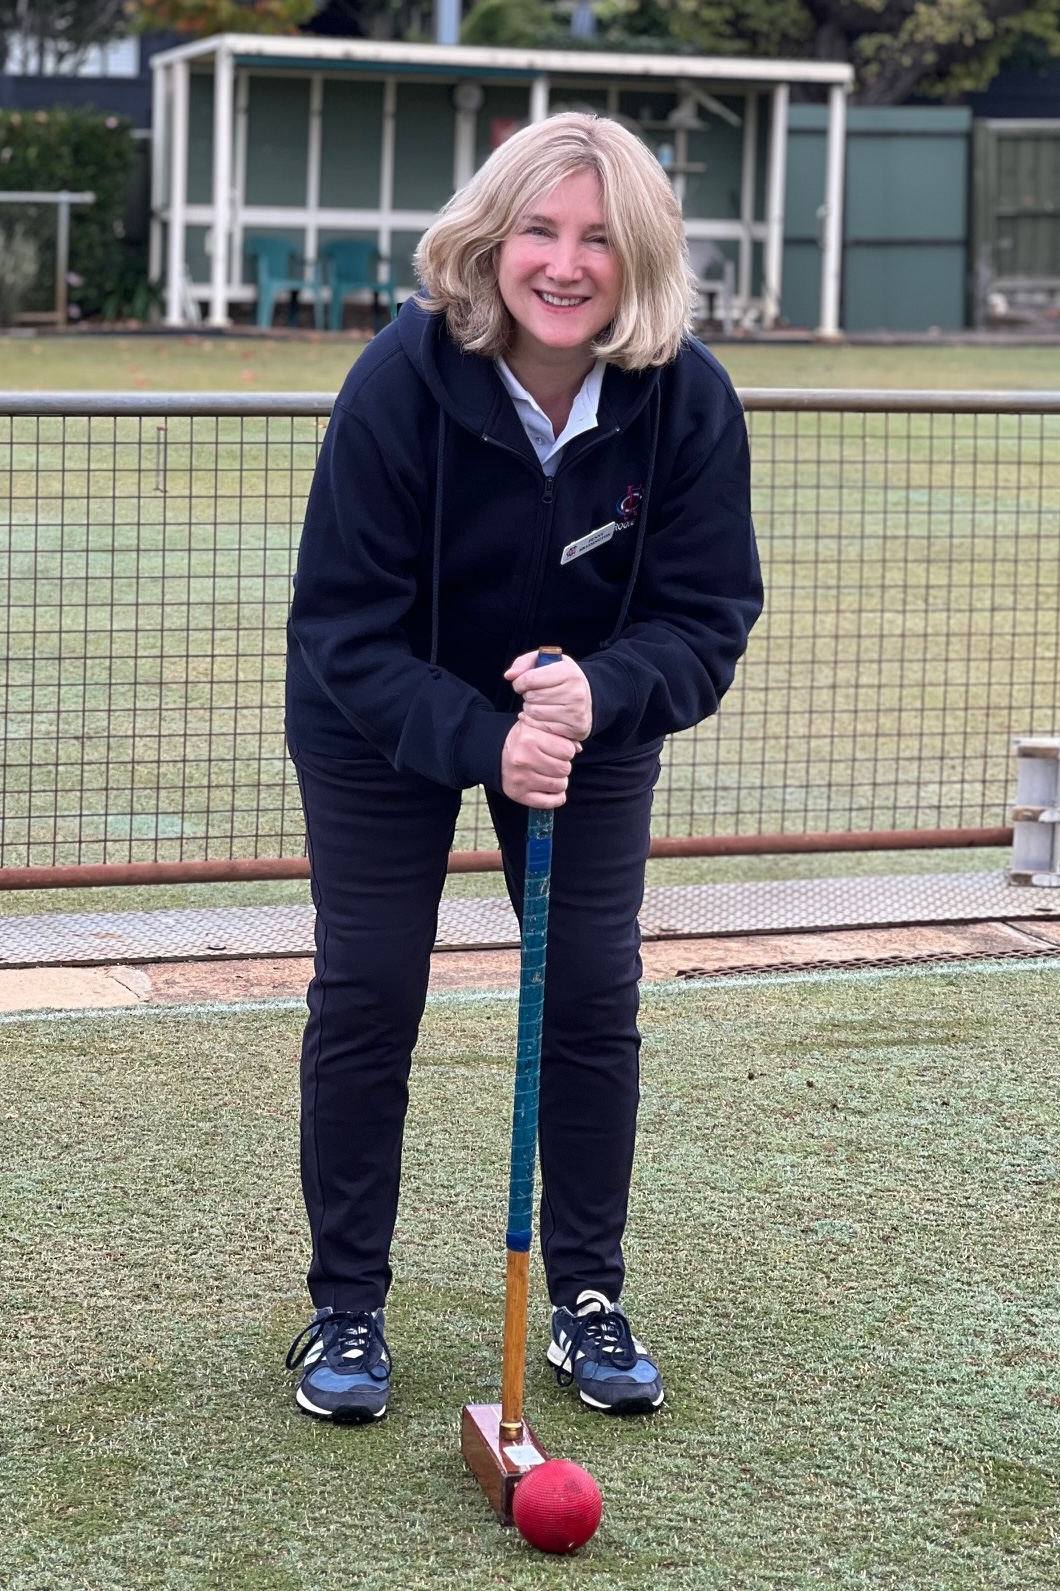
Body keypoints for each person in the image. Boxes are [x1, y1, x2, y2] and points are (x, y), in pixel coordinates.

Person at [283, 112, 762, 1424]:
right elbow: (339, 624)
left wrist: (599, 693)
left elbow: (709, 614)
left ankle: (589, 1298)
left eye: (600, 238)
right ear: (493, 241)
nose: (566, 264)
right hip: (379, 716)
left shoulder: (687, 398)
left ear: (641, 257)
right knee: (373, 985)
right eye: (541, 231)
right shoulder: (401, 380)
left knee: (592, 991)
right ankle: (346, 1309)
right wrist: (481, 734)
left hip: (585, 723)